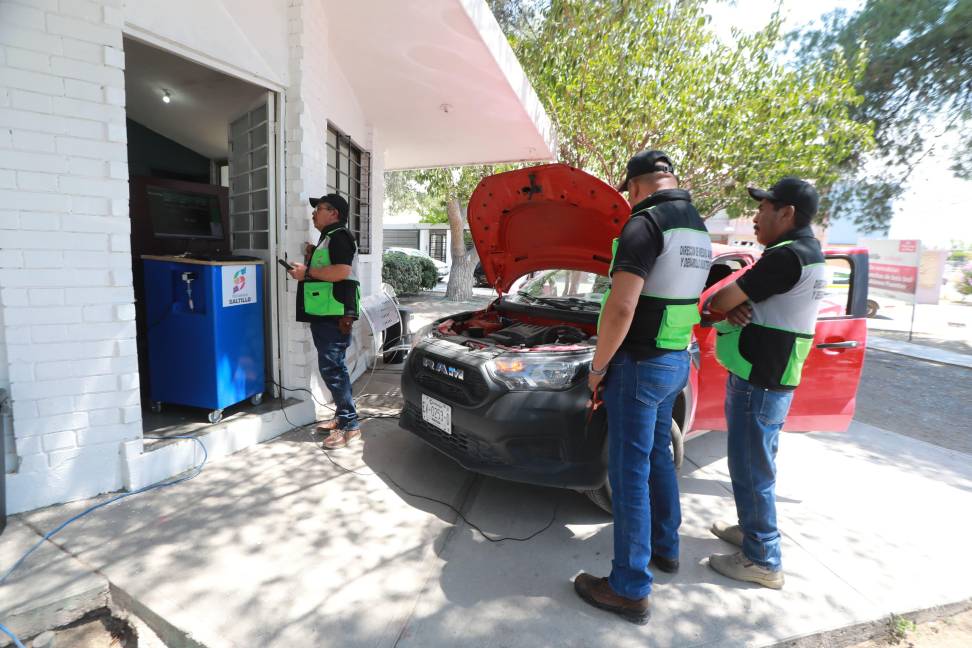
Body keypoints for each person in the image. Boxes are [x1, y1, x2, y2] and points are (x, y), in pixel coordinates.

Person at [574, 150, 712, 624]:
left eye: (628, 192)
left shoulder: (645, 223)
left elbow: (621, 307)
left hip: (638, 365)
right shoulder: (697, 228)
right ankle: (665, 547)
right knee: (656, 456)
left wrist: (598, 368)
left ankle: (629, 588)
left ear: (634, 186)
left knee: (628, 472)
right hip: (675, 359)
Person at [706, 177, 825, 589]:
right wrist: (739, 306)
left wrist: (729, 305)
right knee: (752, 462)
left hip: (760, 377)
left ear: (786, 213)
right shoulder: (807, 253)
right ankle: (751, 531)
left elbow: (719, 302)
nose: (755, 216)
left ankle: (762, 559)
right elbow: (744, 304)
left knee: (752, 467)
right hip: (770, 374)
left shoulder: (786, 257)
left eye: (763, 208)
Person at [288, 193, 362, 450]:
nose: (313, 213)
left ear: (334, 213)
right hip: (327, 313)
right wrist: (312, 255)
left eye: (319, 208)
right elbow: (332, 266)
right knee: (334, 368)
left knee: (333, 369)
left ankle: (350, 426)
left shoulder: (339, 236)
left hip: (334, 315)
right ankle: (343, 417)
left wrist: (306, 272)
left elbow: (341, 271)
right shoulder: (329, 237)